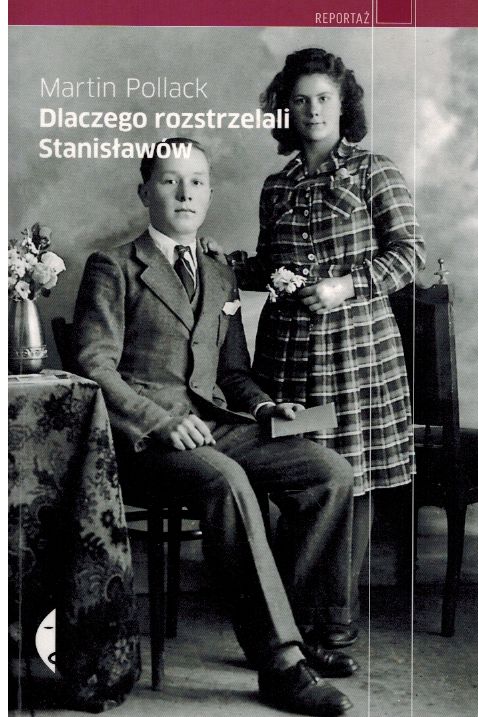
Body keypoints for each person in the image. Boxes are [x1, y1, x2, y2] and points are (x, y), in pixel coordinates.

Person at [73, 137, 358, 716]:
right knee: (226, 480)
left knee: (329, 472)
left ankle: (298, 627)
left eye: (197, 182)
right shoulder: (113, 266)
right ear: (145, 192)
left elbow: (233, 373)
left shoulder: (219, 272)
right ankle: (280, 663)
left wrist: (265, 410)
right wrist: (159, 422)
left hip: (214, 424)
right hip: (144, 440)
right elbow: (93, 365)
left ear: (208, 194)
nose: (186, 193)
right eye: (170, 180)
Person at [205, 48, 426, 647]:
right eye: (300, 100)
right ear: (286, 110)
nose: (313, 110)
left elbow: (409, 255)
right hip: (286, 357)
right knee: (302, 474)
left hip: (355, 356)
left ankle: (335, 620)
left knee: (352, 478)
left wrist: (344, 286)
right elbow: (270, 267)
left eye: (324, 98)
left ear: (343, 104)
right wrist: (227, 265)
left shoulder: (374, 171)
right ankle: (294, 616)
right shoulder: (276, 187)